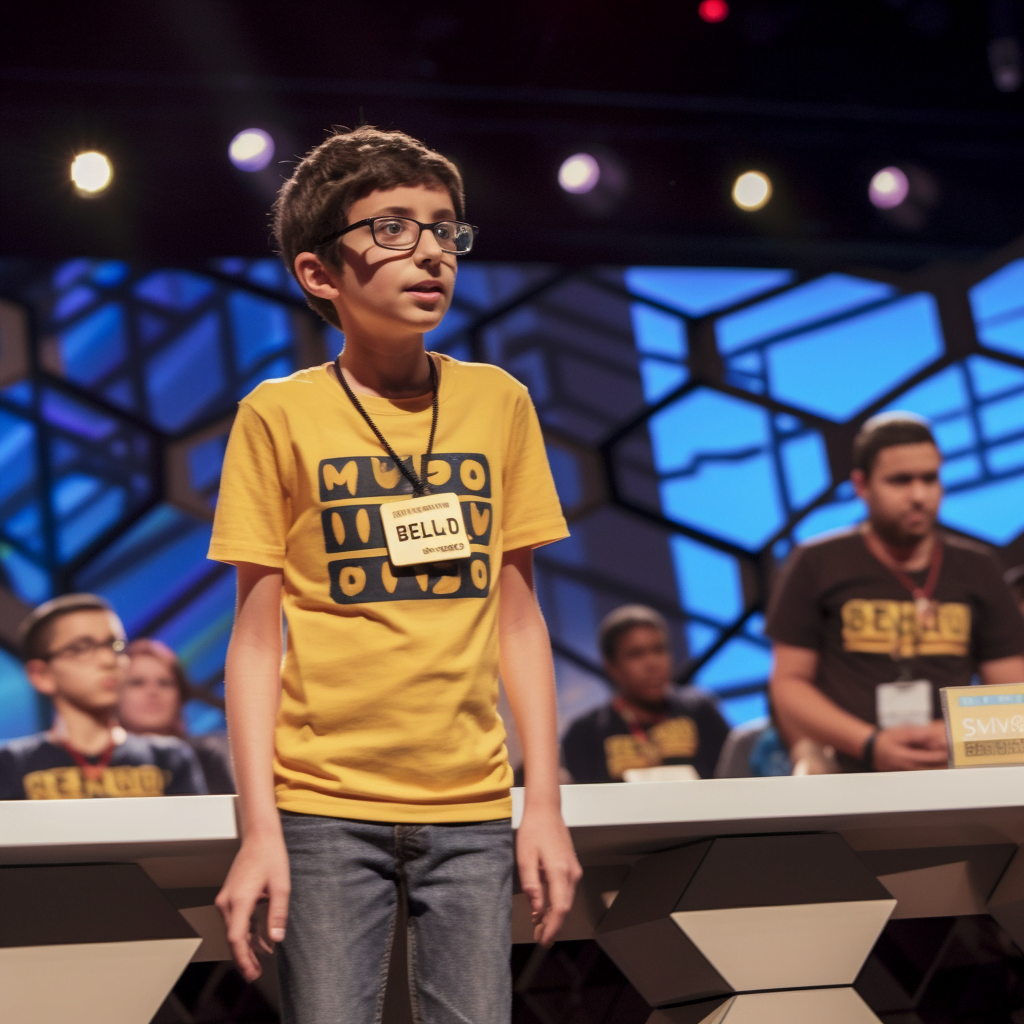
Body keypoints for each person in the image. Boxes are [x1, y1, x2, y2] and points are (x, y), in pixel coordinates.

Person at [208, 126, 581, 1023]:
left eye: (445, 230)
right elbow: (256, 641)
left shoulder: (498, 401)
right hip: (323, 806)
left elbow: (518, 619)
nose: (429, 253)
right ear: (319, 274)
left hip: (474, 806)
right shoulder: (278, 414)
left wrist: (545, 805)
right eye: (392, 229)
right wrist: (259, 827)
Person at [767, 413, 1024, 773]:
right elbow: (788, 683)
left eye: (930, 479)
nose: (919, 495)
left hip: (952, 773)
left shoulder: (977, 567)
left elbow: (1012, 691)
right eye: (900, 481)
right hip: (848, 772)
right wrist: (869, 742)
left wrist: (956, 731)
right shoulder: (818, 562)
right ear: (861, 485)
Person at [0, 594, 207, 799]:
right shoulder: (10, 763)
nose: (109, 660)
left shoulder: (169, 758)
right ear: (41, 675)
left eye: (115, 645)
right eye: (82, 648)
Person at [561, 605, 730, 783]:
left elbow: (734, 777)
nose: (652, 664)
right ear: (611, 666)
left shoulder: (700, 710)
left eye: (659, 650)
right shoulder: (586, 732)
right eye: (636, 654)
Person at [120, 638, 235, 794]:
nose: (153, 692)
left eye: (164, 683)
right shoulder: (94, 764)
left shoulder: (211, 755)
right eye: (137, 682)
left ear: (181, 695)